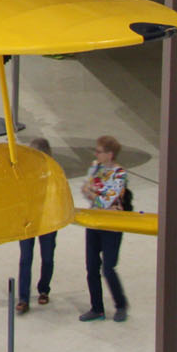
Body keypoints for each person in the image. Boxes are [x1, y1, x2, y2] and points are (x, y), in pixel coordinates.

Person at [80, 135, 129, 322]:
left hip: (112, 226)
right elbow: (85, 188)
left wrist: (95, 194)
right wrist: (95, 195)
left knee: (108, 268)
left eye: (99, 151)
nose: (96, 154)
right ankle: (97, 308)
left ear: (110, 154)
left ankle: (121, 305)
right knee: (91, 267)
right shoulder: (95, 166)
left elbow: (105, 200)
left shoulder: (119, 174)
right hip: (94, 222)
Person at [16, 137, 57, 313]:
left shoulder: (53, 172)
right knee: (26, 258)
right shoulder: (23, 171)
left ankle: (44, 289)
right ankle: (23, 298)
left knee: (47, 257)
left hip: (48, 220)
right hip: (28, 220)